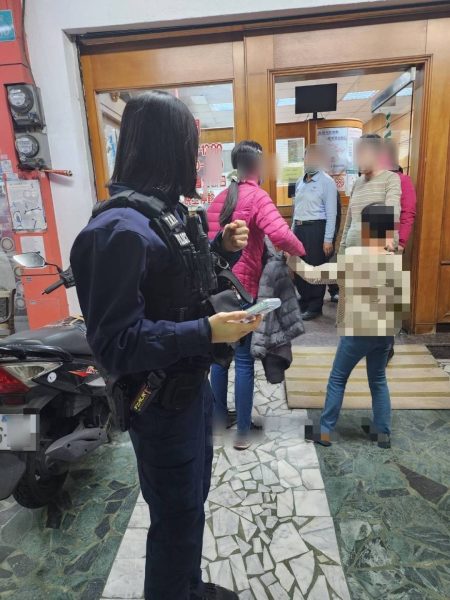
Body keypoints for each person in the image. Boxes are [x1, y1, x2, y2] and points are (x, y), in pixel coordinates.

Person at [70, 92, 261, 600]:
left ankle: (187, 587)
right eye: (190, 147)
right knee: (174, 515)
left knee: (190, 503)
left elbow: (176, 287)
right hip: (157, 401)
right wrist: (206, 332)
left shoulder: (165, 214)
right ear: (167, 147)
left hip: (190, 390)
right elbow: (115, 344)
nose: (195, 159)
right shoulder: (116, 231)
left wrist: (221, 248)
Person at [207, 140, 306, 450]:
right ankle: (242, 433)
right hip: (245, 291)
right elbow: (280, 235)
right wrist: (303, 252)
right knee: (244, 360)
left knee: (219, 360)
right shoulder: (258, 197)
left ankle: (218, 421)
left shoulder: (220, 198)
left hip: (217, 292)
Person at [288, 203, 410, 450]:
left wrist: (291, 258)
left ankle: (325, 432)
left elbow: (313, 275)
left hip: (357, 332)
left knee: (337, 379)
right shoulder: (395, 262)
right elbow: (400, 305)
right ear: (389, 231)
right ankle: (382, 434)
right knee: (378, 380)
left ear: (364, 230)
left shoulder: (353, 260)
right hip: (385, 333)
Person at [292, 144, 338, 320]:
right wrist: (291, 234)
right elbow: (296, 210)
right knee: (300, 267)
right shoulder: (299, 181)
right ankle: (304, 300)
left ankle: (315, 305)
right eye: (308, 157)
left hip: (316, 229)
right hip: (299, 229)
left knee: (315, 268)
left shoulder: (327, 182)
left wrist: (328, 239)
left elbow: (332, 213)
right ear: (304, 159)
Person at [340, 134, 401, 254]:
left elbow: (393, 210)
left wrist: (390, 243)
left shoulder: (390, 178)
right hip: (351, 250)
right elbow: (349, 221)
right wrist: (342, 250)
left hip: (376, 251)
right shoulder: (357, 183)